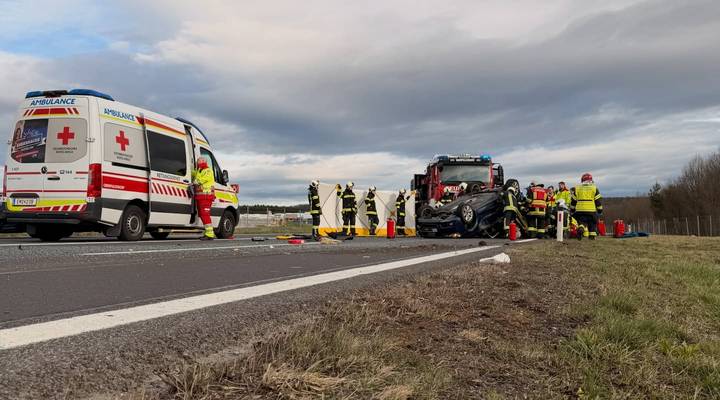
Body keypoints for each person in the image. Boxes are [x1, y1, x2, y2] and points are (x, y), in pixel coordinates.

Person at [571, 173, 603, 240]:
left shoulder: (577, 188)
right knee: (592, 223)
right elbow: (598, 201)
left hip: (579, 210)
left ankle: (581, 228)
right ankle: (592, 236)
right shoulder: (594, 188)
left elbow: (573, 201)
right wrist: (600, 210)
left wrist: (572, 209)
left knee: (581, 222)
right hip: (591, 210)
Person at [192, 157, 216, 240]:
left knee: (205, 215)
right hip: (201, 197)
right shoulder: (199, 170)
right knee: (202, 215)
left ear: (203, 161)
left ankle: (210, 234)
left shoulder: (208, 170)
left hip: (206, 196)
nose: (197, 161)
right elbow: (193, 174)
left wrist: (195, 182)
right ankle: (208, 233)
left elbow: (203, 179)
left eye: (199, 160)